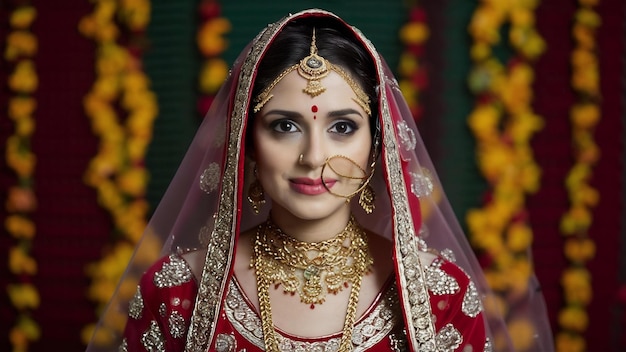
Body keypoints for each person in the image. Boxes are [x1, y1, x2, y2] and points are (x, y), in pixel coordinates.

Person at [86, 9, 553, 352]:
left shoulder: (438, 295)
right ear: (246, 142)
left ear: (379, 143)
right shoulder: (177, 292)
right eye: (285, 126)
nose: (314, 158)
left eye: (343, 127)